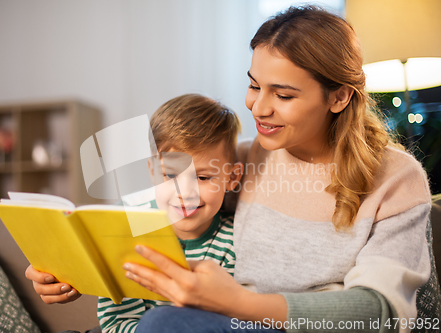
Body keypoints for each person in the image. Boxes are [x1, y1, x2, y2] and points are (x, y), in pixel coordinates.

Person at [120, 6, 431, 333]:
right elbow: (165, 201)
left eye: (283, 95)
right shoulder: (244, 160)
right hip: (233, 324)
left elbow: (379, 312)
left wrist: (237, 303)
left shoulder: (396, 179)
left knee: (163, 323)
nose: (258, 107)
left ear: (339, 97)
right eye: (254, 86)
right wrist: (77, 261)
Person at [26, 94, 244, 333]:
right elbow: (116, 322)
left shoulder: (236, 240)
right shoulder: (127, 229)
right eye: (170, 176)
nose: (185, 193)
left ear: (232, 178)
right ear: (152, 172)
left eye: (203, 177)